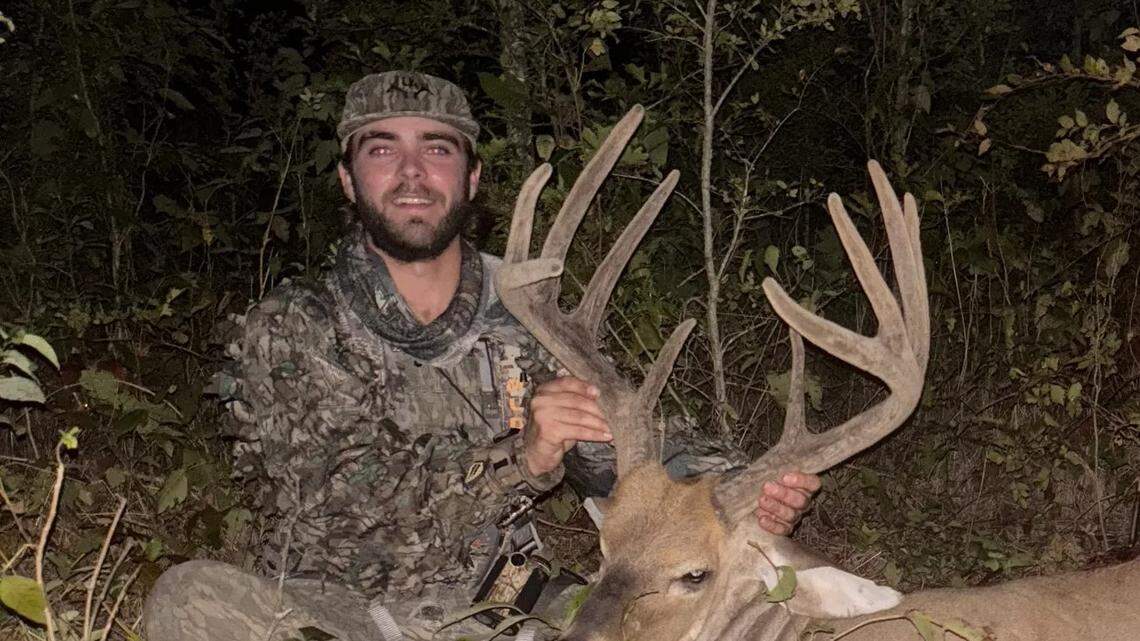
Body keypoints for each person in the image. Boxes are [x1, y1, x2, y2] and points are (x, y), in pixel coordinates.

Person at [142, 71, 820, 641]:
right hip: (329, 614)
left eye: (436, 149)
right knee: (191, 597)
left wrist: (742, 490)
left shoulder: (534, 321)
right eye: (382, 150)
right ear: (348, 179)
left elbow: (637, 449)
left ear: (471, 178)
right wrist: (521, 458)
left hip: (506, 610)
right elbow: (338, 508)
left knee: (744, 609)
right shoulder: (290, 329)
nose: (411, 172)